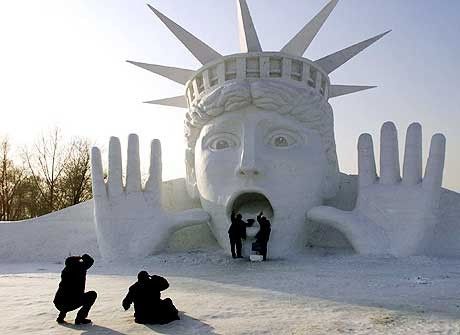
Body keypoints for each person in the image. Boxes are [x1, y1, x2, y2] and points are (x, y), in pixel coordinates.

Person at [53, 254, 97, 325]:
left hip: (58, 303)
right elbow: (90, 261)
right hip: (72, 303)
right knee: (92, 295)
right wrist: (83, 256)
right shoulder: (80, 269)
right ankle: (80, 319)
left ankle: (60, 317)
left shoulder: (65, 271)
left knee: (66, 295)